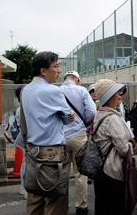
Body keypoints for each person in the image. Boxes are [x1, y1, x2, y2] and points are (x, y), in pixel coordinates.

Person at [21, 51, 75, 215]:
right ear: (43, 71)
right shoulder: (53, 91)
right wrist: (69, 115)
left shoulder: (26, 90)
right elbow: (68, 118)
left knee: (35, 202)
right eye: (56, 66)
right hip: (52, 153)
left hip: (32, 151)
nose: (59, 70)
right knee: (55, 202)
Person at [93, 79, 133, 215]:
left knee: (102, 206)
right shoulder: (113, 118)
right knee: (116, 208)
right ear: (108, 96)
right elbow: (124, 149)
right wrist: (130, 143)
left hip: (100, 169)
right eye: (116, 92)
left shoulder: (99, 114)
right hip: (113, 171)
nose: (120, 94)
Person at [60, 71, 96, 215]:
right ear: (77, 79)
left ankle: (62, 207)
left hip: (60, 137)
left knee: (62, 174)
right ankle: (81, 206)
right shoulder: (82, 90)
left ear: (64, 79)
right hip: (79, 135)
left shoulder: (57, 91)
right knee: (80, 174)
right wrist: (83, 122)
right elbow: (92, 111)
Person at [14, 85, 27, 200]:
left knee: (25, 162)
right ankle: (24, 187)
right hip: (24, 138)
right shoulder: (21, 108)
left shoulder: (20, 107)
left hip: (23, 137)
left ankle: (23, 187)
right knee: (25, 163)